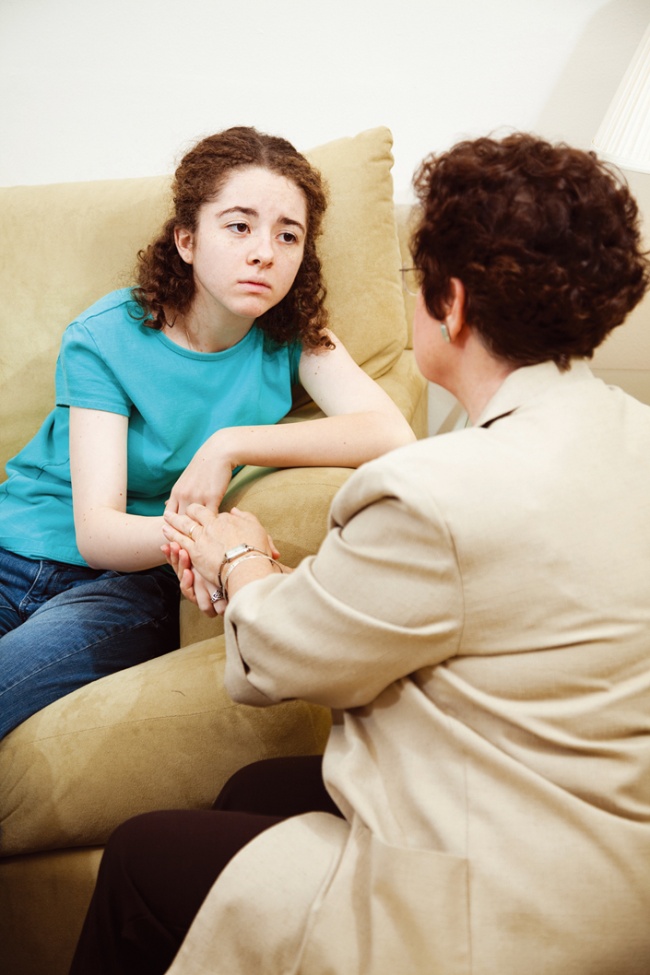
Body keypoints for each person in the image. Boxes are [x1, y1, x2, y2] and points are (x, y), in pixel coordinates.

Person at [69, 133, 650, 975]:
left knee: (138, 853)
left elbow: (281, 657)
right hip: (619, 851)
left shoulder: (434, 492)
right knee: (255, 792)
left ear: (450, 304)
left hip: (508, 903)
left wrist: (237, 557)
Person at [0, 126, 415, 740]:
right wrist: (209, 542)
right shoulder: (104, 336)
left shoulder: (295, 336)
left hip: (131, 583)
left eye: (288, 235)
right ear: (187, 240)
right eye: (239, 226)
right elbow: (98, 531)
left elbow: (391, 434)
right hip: (16, 551)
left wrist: (230, 443)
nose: (264, 253)